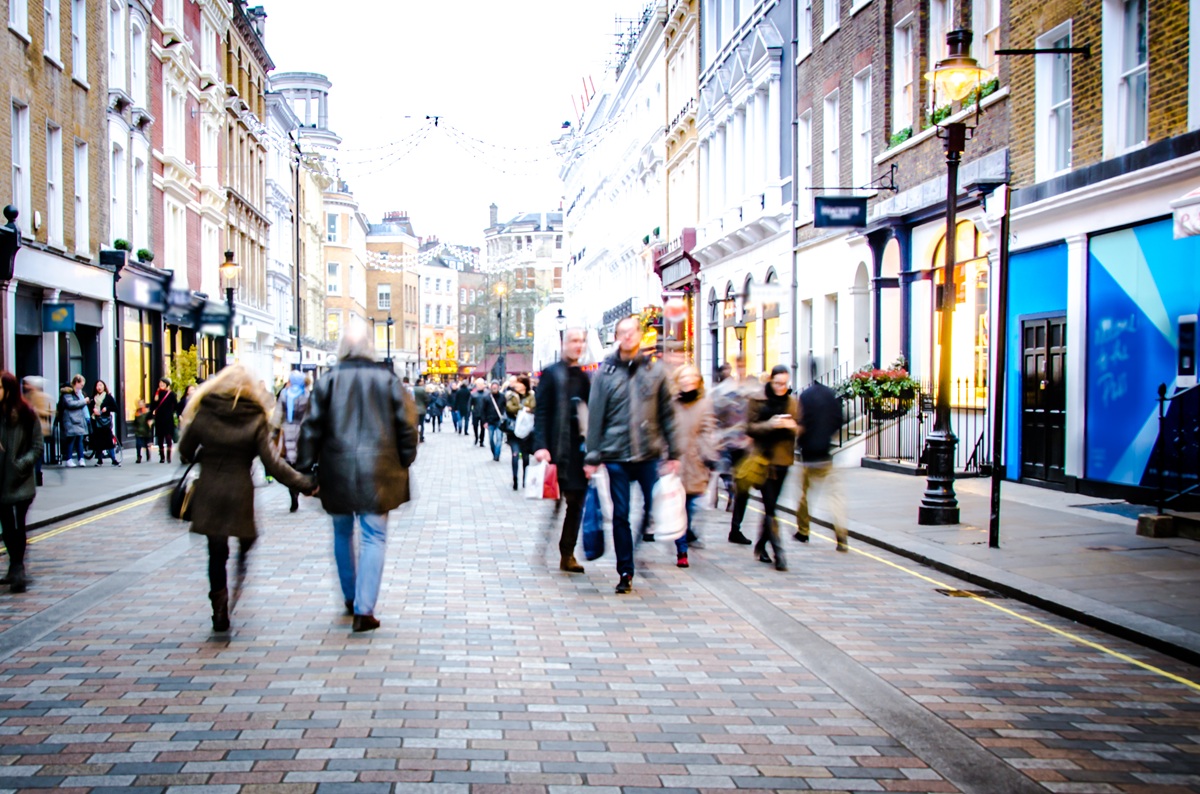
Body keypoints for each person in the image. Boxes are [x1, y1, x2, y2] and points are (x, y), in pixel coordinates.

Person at [297, 327, 419, 633]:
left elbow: (310, 428)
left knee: (341, 532)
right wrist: (405, 458)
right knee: (373, 535)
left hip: (336, 469)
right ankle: (365, 610)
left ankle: (351, 597)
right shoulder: (388, 380)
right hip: (380, 470)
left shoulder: (327, 381)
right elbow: (407, 425)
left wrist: (305, 469)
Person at [179, 365, 315, 632]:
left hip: (209, 489)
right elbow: (273, 464)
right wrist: (305, 484)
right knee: (246, 535)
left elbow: (185, 450)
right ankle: (242, 555)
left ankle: (219, 609)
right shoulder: (254, 417)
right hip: (239, 491)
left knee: (216, 553)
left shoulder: (205, 411)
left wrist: (202, 454)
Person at [584, 315, 680, 594]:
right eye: (622, 332)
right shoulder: (605, 372)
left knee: (654, 508)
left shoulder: (655, 370)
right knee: (621, 515)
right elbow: (596, 416)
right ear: (616, 337)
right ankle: (625, 570)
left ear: (639, 335)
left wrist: (674, 451)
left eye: (631, 332)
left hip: (648, 452)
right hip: (615, 455)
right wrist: (593, 455)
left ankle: (637, 546)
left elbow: (668, 414)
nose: (627, 337)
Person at [534, 328, 591, 573]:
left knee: (576, 503)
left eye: (581, 341)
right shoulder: (551, 373)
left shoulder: (585, 377)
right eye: (573, 340)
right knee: (555, 501)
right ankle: (544, 543)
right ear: (563, 343)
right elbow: (542, 412)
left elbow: (591, 415)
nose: (578, 345)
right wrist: (541, 446)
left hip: (578, 451)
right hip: (557, 447)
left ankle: (566, 553)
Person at [745, 365, 801, 572]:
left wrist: (793, 427)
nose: (781, 388)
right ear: (770, 381)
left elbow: (801, 428)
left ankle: (760, 545)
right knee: (770, 507)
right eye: (777, 383)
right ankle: (780, 553)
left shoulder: (792, 402)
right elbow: (749, 427)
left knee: (771, 507)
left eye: (785, 384)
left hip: (783, 461)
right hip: (763, 462)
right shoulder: (757, 400)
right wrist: (771, 424)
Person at [0, 371, 43, 593]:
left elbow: (37, 447)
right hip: (0, 483)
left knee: (17, 527)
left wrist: (21, 464)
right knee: (7, 528)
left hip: (20, 482)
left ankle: (18, 568)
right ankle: (14, 567)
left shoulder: (27, 414)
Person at [671, 364, 716, 569]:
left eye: (692, 378)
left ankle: (685, 535)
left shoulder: (705, 404)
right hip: (675, 463)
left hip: (696, 463)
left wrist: (709, 456)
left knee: (690, 507)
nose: (688, 381)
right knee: (678, 509)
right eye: (684, 378)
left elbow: (708, 431)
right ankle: (682, 551)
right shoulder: (671, 404)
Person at [795, 379, 849, 552]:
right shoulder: (830, 395)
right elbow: (839, 418)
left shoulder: (805, 396)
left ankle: (803, 531)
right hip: (825, 453)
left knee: (804, 495)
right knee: (835, 497)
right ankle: (841, 535)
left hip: (809, 454)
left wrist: (802, 440)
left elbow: (800, 421)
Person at [711, 355, 759, 545]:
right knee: (722, 480)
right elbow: (713, 413)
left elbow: (758, 414)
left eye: (744, 365)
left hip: (744, 446)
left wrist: (752, 434)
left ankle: (735, 528)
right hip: (725, 445)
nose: (741, 368)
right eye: (738, 365)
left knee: (743, 489)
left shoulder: (753, 388)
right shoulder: (724, 390)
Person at [272, 370, 311, 513]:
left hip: (288, 430)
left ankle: (292, 492)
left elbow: (277, 415)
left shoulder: (284, 394)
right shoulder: (307, 395)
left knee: (289, 463)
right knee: (300, 463)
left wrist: (274, 432)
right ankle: (298, 488)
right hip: (303, 432)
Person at [505, 376, 536, 491]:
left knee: (526, 457)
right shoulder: (511, 395)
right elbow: (509, 408)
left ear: (524, 384)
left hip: (527, 430)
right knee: (515, 454)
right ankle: (515, 479)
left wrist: (523, 409)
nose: (516, 385)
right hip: (514, 430)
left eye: (518, 383)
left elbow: (533, 407)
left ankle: (525, 480)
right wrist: (523, 408)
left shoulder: (531, 396)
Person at [21, 377, 51, 485]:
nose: (25, 386)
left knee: (36, 452)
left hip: (39, 428)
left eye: (27, 384)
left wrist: (33, 410)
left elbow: (46, 412)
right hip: (28, 428)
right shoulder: (26, 396)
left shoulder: (42, 397)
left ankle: (37, 475)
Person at [60, 375, 90, 468]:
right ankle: (69, 459)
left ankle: (81, 458)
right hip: (71, 420)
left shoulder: (79, 393)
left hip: (78, 420)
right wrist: (84, 401)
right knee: (71, 440)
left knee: (79, 439)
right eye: (81, 385)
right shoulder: (68, 392)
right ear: (76, 382)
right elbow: (70, 404)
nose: (82, 387)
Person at [90, 380, 120, 466]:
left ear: (104, 386)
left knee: (109, 440)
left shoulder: (108, 397)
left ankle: (114, 459)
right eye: (97, 386)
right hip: (96, 421)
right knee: (98, 441)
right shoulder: (93, 398)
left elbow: (116, 408)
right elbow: (89, 408)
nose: (99, 387)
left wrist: (107, 408)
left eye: (101, 385)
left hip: (105, 422)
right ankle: (99, 460)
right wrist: (93, 410)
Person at [151, 378, 178, 463]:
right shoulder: (157, 393)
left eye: (163, 383)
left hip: (168, 418)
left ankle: (169, 456)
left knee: (168, 437)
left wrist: (172, 412)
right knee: (160, 438)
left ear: (167, 384)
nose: (161, 384)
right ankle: (162, 457)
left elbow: (176, 405)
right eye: (160, 383)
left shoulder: (171, 394)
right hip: (159, 418)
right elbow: (153, 405)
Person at [482, 381, 505, 461]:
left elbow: (505, 408)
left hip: (499, 421)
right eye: (493, 387)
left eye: (496, 387)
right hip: (490, 421)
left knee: (499, 439)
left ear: (498, 387)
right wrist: (484, 421)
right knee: (491, 439)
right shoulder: (487, 398)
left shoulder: (502, 397)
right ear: (491, 387)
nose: (494, 388)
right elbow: (483, 410)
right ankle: (494, 451)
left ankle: (496, 455)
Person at [132, 398, 153, 463]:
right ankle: (139, 456)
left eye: (141, 403)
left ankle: (147, 454)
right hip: (138, 431)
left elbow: (151, 419)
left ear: (144, 404)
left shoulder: (147, 411)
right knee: (138, 444)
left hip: (146, 431)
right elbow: (135, 421)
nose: (140, 404)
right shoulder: (137, 412)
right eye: (139, 403)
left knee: (146, 444)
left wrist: (151, 423)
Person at [407, 377, 427, 443]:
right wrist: (426, 405)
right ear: (419, 382)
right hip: (422, 409)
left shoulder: (411, 389)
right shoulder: (422, 389)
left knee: (415, 424)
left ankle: (415, 436)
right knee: (421, 424)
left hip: (413, 410)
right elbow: (427, 399)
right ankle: (421, 437)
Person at [470, 379, 488, 447]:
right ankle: (476, 437)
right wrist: (470, 411)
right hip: (475, 413)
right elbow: (470, 404)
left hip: (484, 414)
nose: (479, 386)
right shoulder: (473, 394)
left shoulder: (487, 394)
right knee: (475, 426)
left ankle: (481, 440)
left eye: (481, 384)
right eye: (478, 384)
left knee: (482, 427)